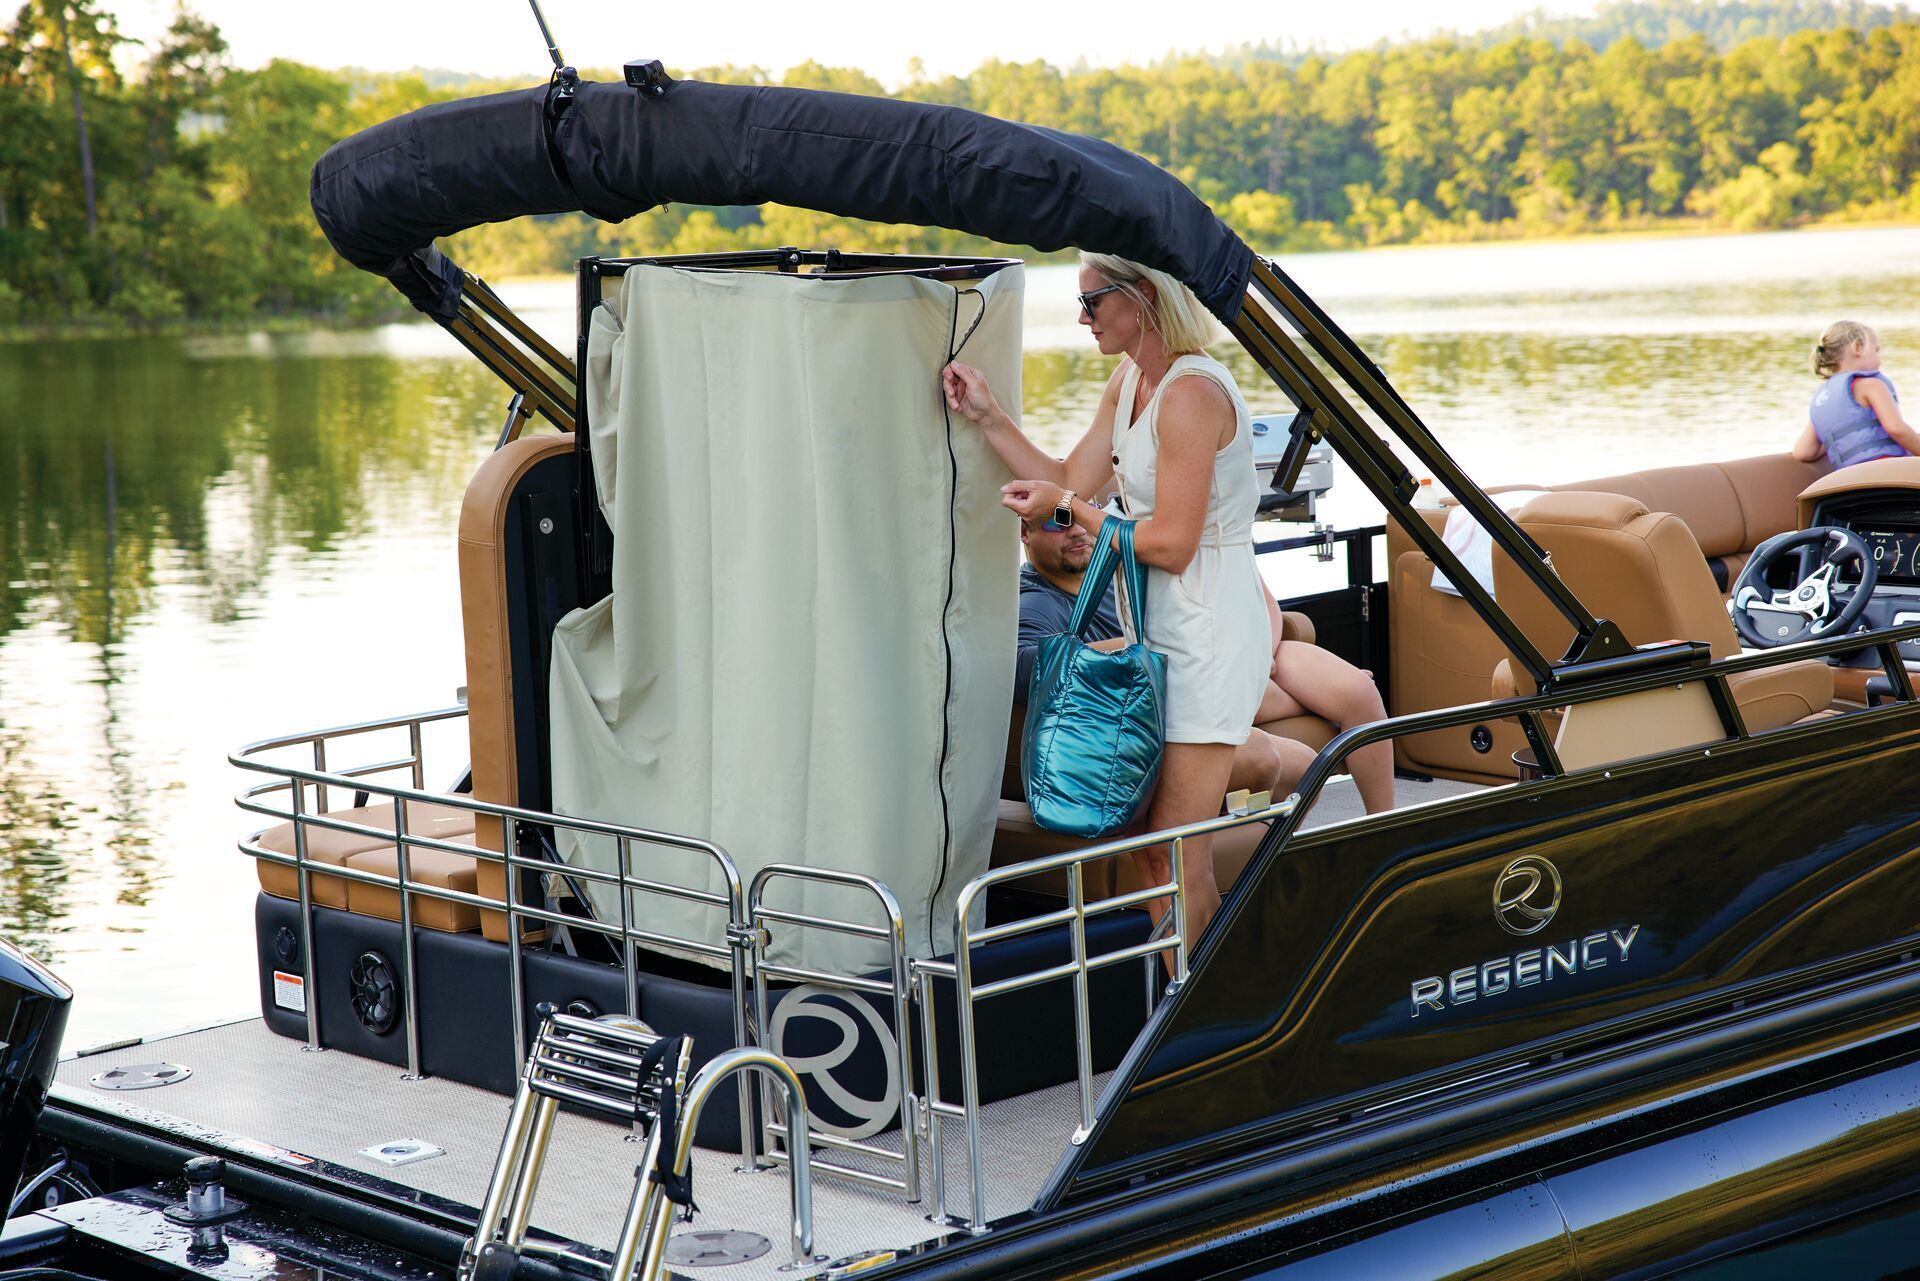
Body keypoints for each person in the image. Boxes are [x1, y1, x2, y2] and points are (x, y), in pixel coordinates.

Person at [945, 252, 1269, 945]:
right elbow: (1071, 478)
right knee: (1154, 851)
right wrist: (989, 415)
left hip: (1210, 630)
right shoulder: (1130, 382)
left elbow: (1171, 544)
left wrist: (1069, 507)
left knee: (1177, 850)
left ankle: (1194, 1017)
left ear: (1143, 296)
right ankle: (1182, 1005)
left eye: (1093, 303)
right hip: (1153, 623)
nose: (1082, 317)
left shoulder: (1191, 396)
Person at [1014, 513, 1294, 802]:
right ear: (1025, 533)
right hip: (1123, 732)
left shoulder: (1112, 575)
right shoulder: (1035, 602)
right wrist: (1134, 646)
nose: (1076, 531)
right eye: (1057, 522)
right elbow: (1023, 669)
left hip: (1171, 708)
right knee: (1287, 757)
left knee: (1305, 741)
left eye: (1082, 515)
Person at [1793, 320, 1920, 467]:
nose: (1880, 361)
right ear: (1858, 347)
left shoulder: (1823, 400)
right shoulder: (1871, 386)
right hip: (1887, 474)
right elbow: (1896, 428)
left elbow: (1803, 452)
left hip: (1849, 483)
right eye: (1876, 350)